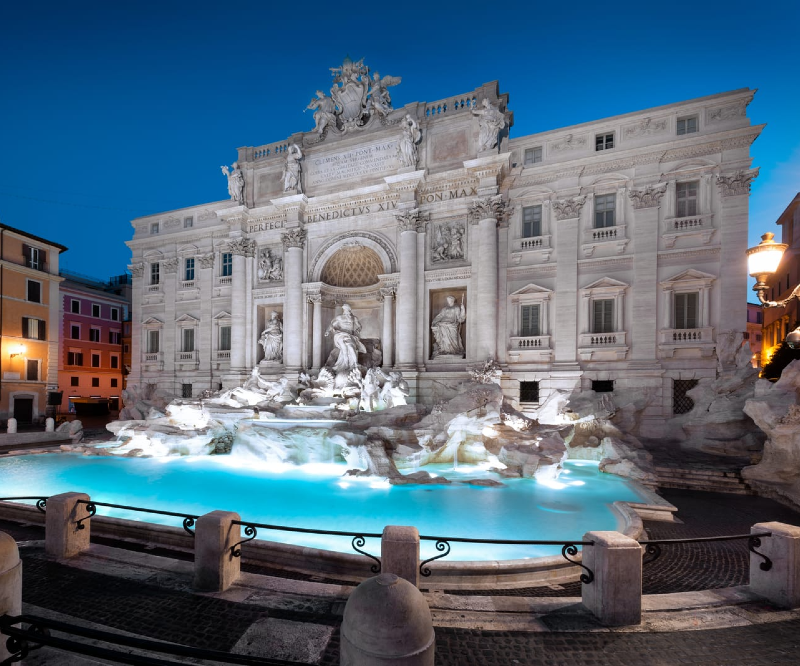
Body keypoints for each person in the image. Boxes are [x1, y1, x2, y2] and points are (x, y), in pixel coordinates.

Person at [324, 303, 366, 374]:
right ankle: (346, 365)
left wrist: (358, 330)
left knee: (350, 347)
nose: (348, 311)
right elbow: (332, 325)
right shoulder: (339, 317)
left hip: (350, 335)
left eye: (349, 310)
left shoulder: (354, 318)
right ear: (344, 310)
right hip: (340, 334)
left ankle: (355, 364)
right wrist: (327, 331)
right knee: (344, 347)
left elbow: (359, 326)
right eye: (346, 309)